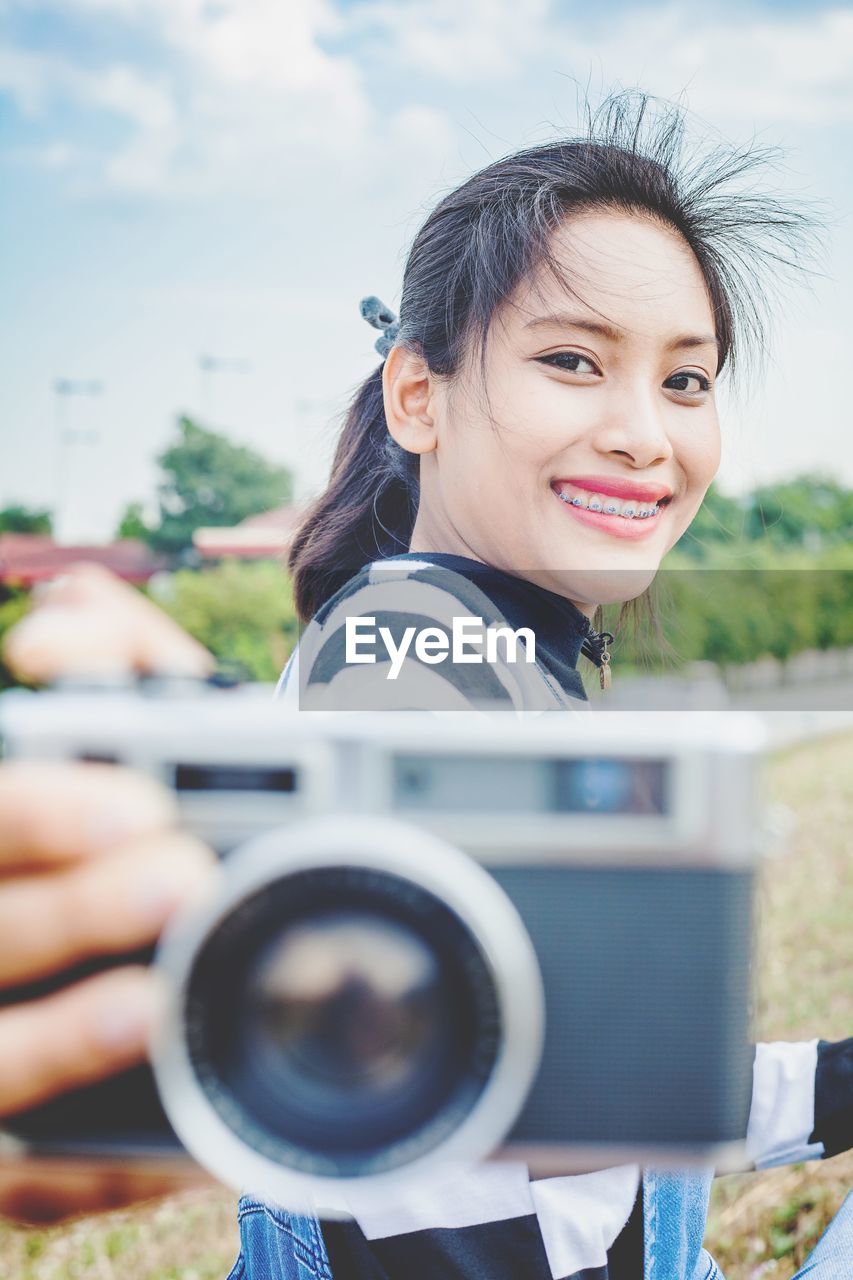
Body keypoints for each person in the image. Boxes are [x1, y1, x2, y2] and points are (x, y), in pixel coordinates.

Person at [0, 90, 849, 1278]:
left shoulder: (499, 643)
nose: (642, 431)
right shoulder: (415, 634)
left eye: (685, 380)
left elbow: (586, 1078)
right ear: (418, 396)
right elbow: (509, 1079)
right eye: (572, 360)